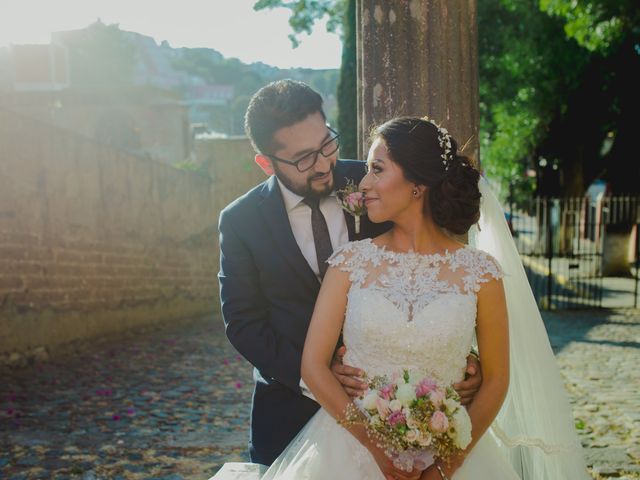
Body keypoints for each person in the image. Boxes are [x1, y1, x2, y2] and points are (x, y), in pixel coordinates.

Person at [260, 117, 590, 479]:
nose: (364, 183)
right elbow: (313, 366)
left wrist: (445, 468)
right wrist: (375, 448)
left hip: (451, 453)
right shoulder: (349, 264)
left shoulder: (481, 273)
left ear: (417, 184)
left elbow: (496, 381)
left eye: (377, 170)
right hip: (351, 452)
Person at [217, 80, 482, 474]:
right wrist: (315, 375)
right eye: (304, 158)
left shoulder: (378, 183)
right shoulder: (241, 221)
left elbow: (434, 269)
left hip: (404, 410)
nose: (324, 164)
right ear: (267, 163)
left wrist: (457, 350)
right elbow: (242, 323)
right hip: (289, 411)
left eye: (327, 144)